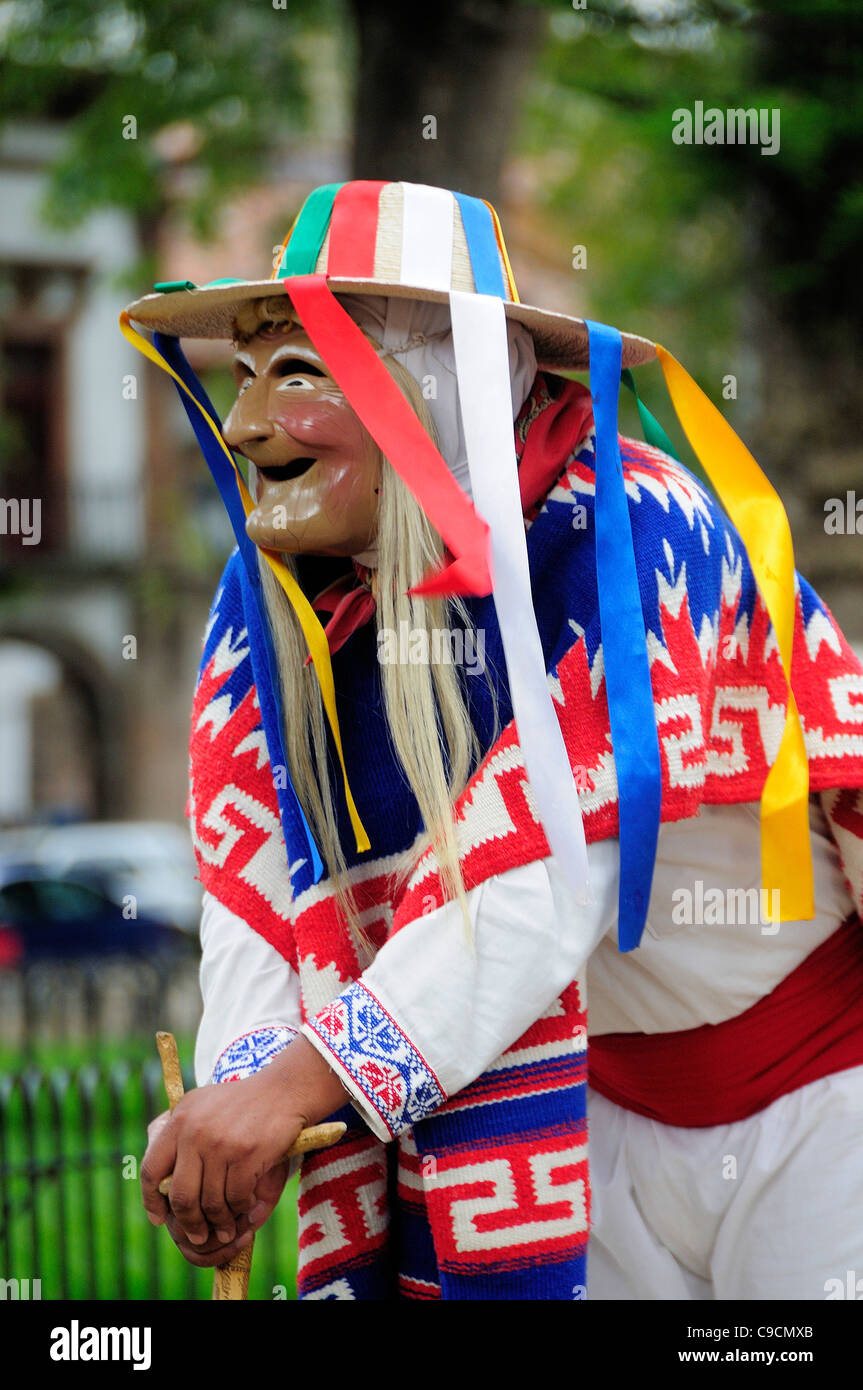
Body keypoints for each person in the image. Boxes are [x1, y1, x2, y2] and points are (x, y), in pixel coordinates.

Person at [123, 180, 863, 1301]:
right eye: (241, 377)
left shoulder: (636, 529)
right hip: (586, 1100)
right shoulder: (268, 597)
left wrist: (299, 1084)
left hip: (818, 1107)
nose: (245, 427)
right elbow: (257, 876)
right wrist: (243, 1096)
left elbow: (547, 868)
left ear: (439, 383)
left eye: (300, 372)